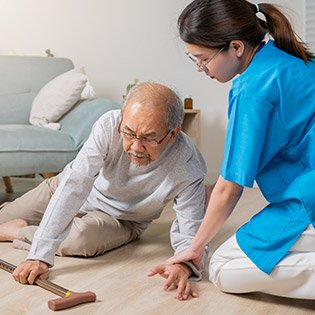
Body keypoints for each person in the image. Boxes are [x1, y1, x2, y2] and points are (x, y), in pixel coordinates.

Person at [0, 82, 208, 300]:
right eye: (128, 133)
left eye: (148, 138)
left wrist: (183, 265)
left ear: (173, 133)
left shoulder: (188, 164)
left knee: (80, 239)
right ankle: (20, 224)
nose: (136, 147)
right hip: (67, 189)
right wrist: (40, 251)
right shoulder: (109, 124)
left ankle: (18, 231)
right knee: (4, 216)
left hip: (122, 218)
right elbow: (75, 185)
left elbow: (191, 230)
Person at [164, 0, 315, 300]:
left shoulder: (251, 90)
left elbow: (229, 188)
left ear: (235, 47)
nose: (200, 68)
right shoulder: (296, 61)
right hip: (305, 191)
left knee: (222, 266)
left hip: (307, 201)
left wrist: (194, 248)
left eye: (203, 59)